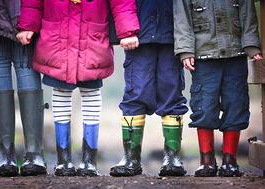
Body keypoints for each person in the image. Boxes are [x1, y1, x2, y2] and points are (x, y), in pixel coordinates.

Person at [17, 0, 140, 176]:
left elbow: (122, 3)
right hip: (57, 37)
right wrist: (28, 23)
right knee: (61, 92)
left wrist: (127, 31)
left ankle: (89, 160)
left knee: (90, 93)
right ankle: (63, 160)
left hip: (92, 38)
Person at [174, 0, 262, 177]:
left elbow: (248, 14)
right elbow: (181, 19)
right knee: (204, 106)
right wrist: (186, 51)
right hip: (203, 56)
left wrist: (252, 46)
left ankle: (230, 160)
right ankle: (206, 161)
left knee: (236, 104)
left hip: (236, 53)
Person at [109, 0, 188, 177]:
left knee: (172, 94)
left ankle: (172, 157)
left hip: (173, 35)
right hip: (137, 35)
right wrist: (125, 29)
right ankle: (131, 158)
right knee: (135, 94)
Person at [0, 0, 47, 176]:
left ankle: (6, 156)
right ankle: (33, 155)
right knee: (22, 62)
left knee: (2, 60)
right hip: (22, 7)